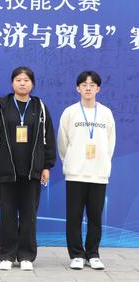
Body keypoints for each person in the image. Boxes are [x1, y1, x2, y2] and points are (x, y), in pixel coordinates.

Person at [0, 66, 56, 271]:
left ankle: (26, 256)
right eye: (18, 80)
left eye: (26, 80)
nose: (22, 83)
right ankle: (7, 255)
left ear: (32, 84)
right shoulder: (2, 105)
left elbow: (48, 137)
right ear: (12, 83)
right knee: (7, 213)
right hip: (6, 170)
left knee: (29, 214)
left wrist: (47, 166)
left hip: (32, 170)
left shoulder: (39, 107)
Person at [58, 71, 116, 270]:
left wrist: (102, 162)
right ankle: (76, 254)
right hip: (75, 173)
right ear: (78, 88)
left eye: (92, 85)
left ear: (98, 88)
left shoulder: (106, 113)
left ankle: (93, 254)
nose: (88, 88)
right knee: (74, 216)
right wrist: (70, 161)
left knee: (95, 217)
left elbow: (110, 142)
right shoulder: (70, 112)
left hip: (98, 174)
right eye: (84, 85)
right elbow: (63, 142)